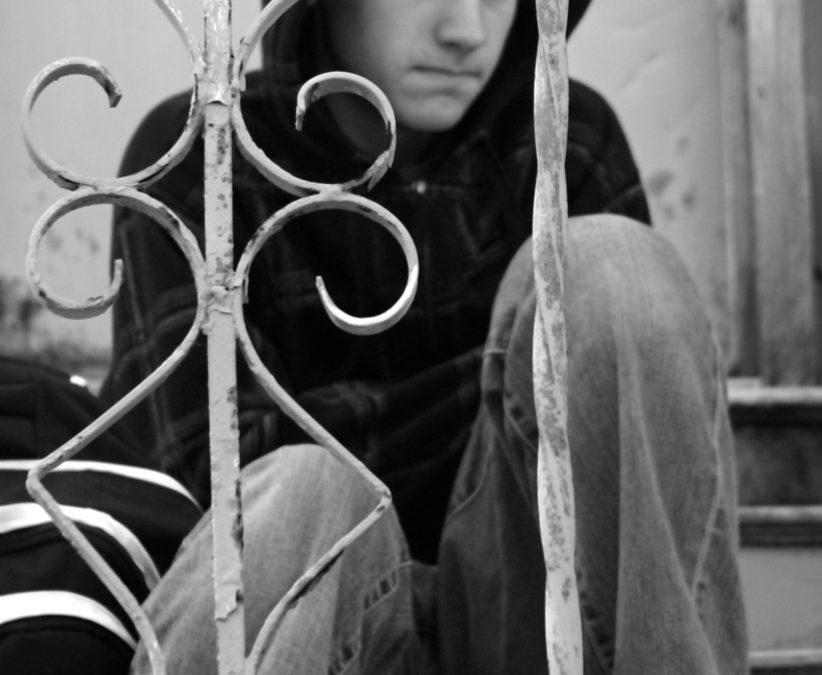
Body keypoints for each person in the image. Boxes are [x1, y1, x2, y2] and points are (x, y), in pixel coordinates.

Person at [104, 0, 748, 673]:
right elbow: (203, 481)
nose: (466, 31)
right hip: (321, 628)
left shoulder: (564, 135)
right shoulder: (203, 155)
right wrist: (504, 383)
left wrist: (366, 419)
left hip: (529, 610)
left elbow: (623, 445)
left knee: (618, 267)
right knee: (298, 491)